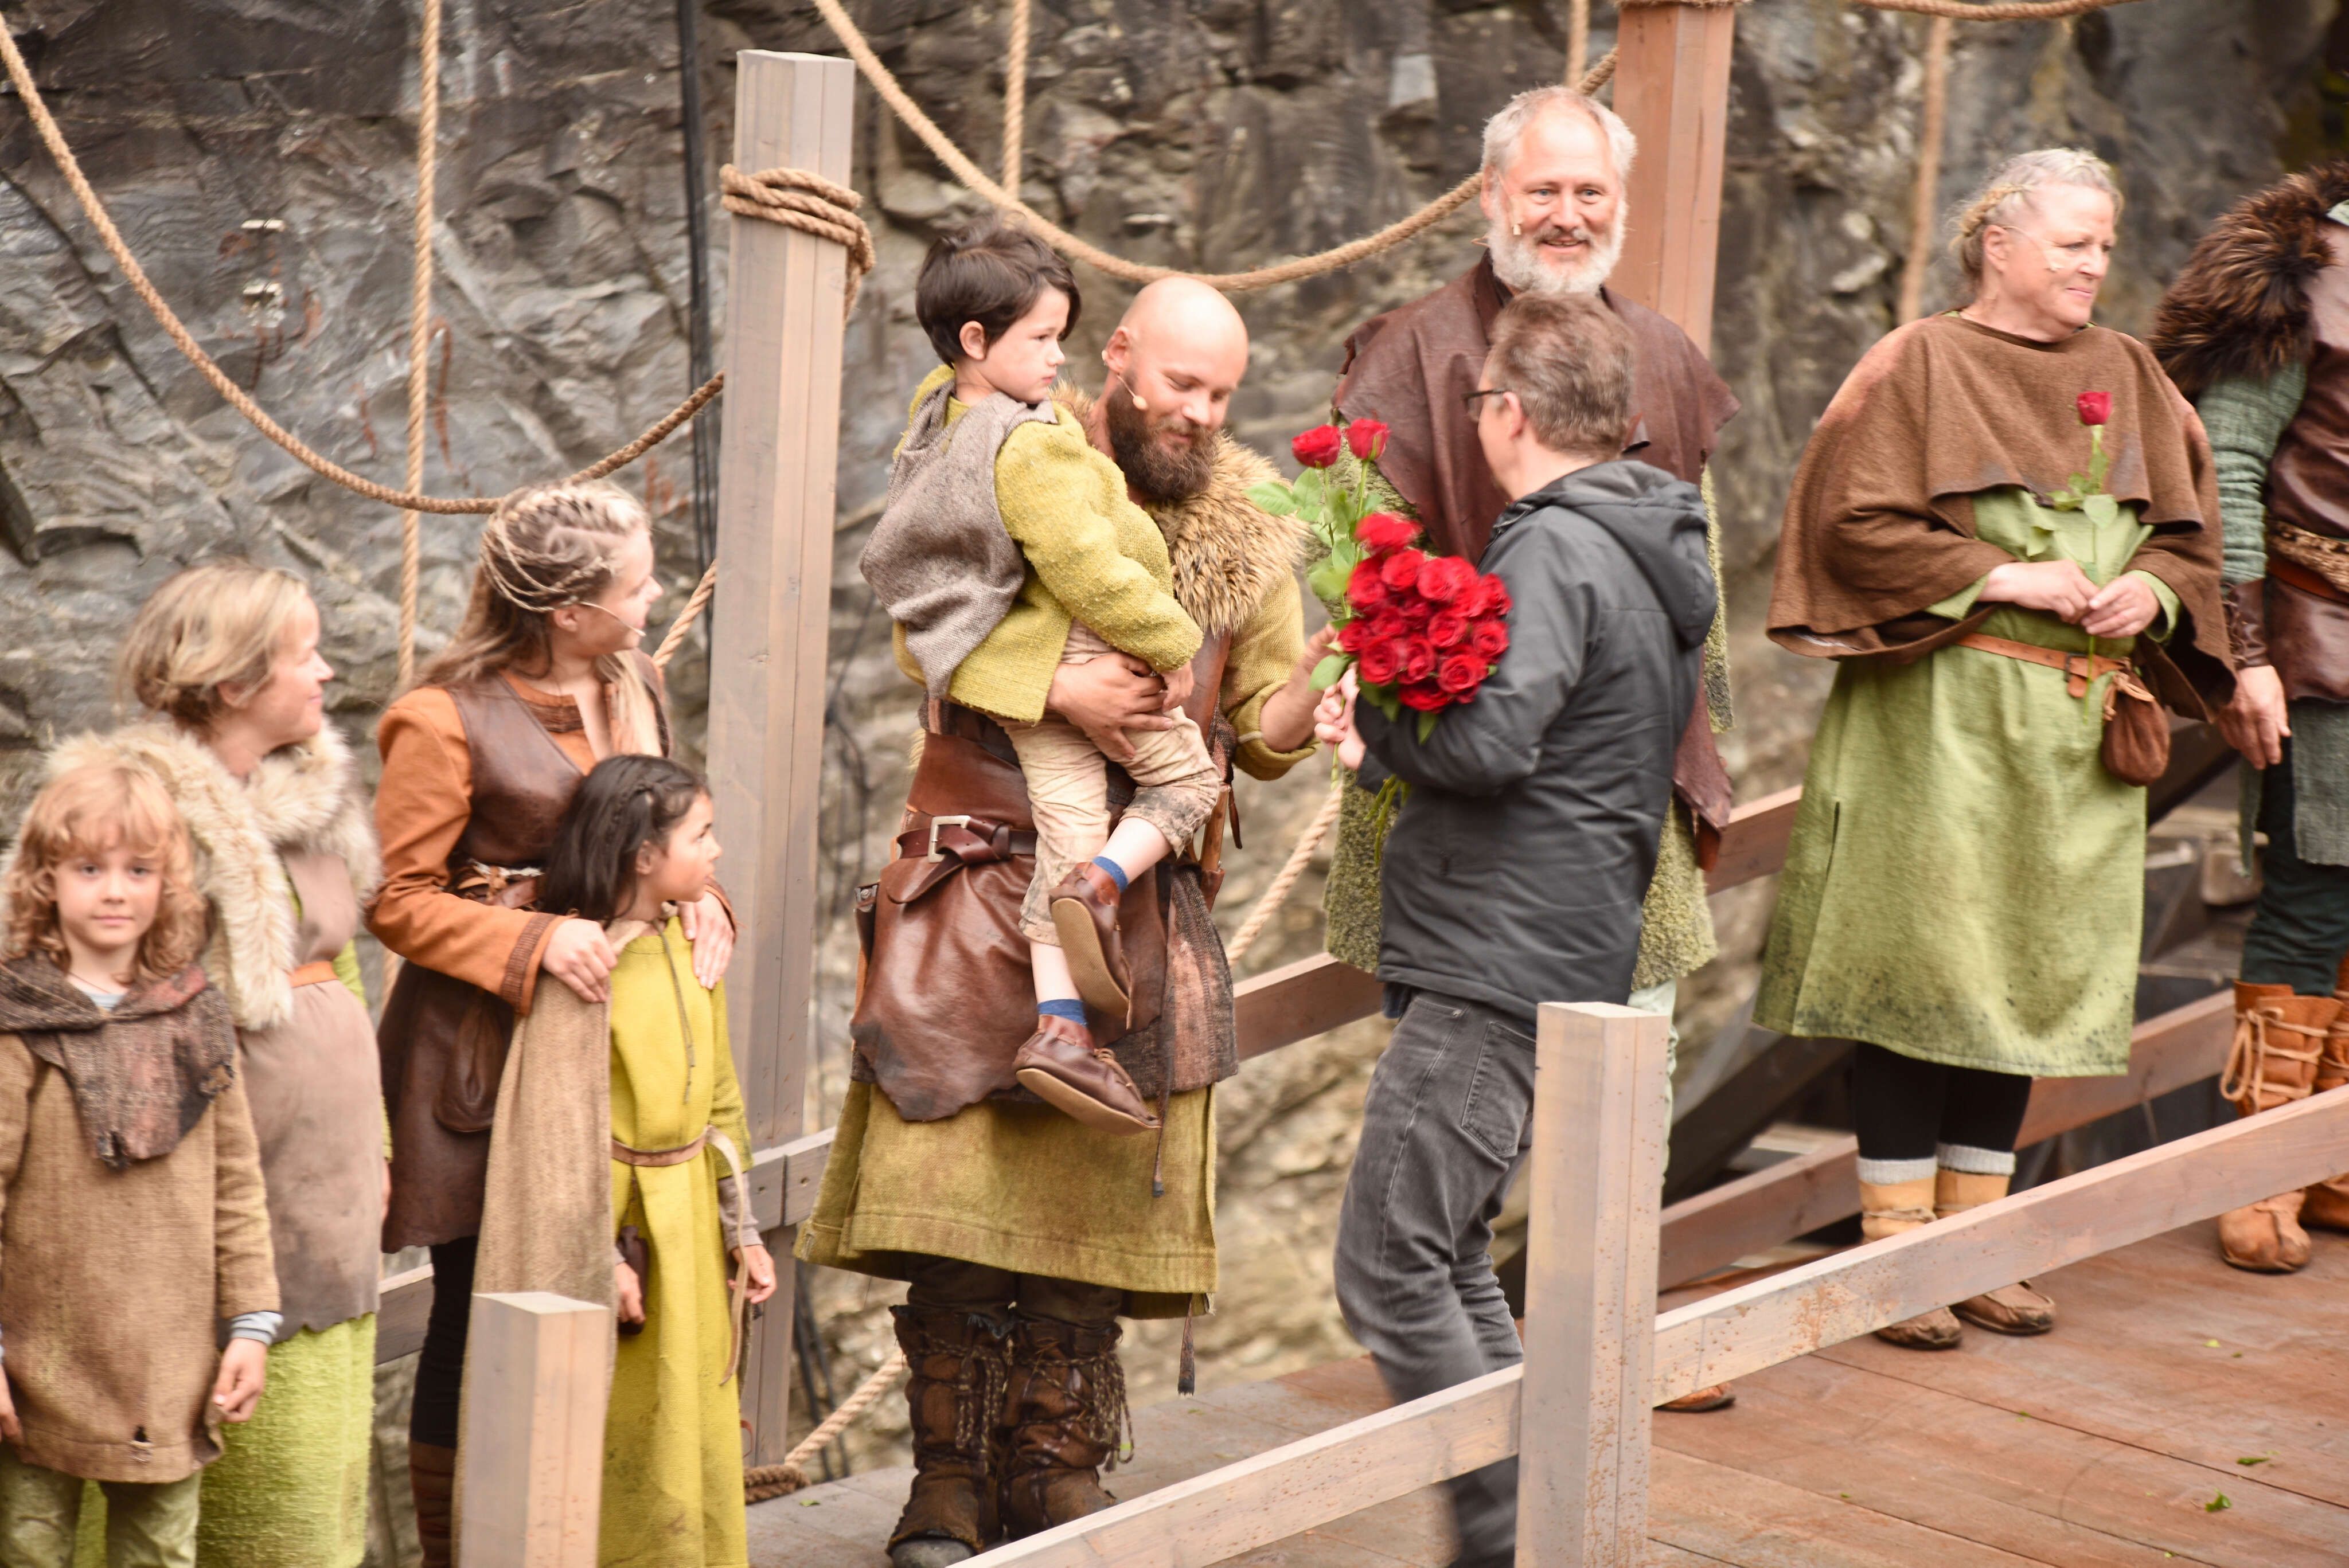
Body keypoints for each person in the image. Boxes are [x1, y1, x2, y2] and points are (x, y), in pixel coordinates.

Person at [799, 276, 1327, 1568]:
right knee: (952, 1202)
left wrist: (1324, 687)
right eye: (1180, 383)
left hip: (1133, 901)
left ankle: (1055, 1469)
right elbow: (922, 626)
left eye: (1222, 394)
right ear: (1118, 357)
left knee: (1089, 1225)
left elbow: (1259, 733)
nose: (1200, 413)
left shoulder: (1255, 531)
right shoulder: (1006, 445)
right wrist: (1053, 684)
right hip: (972, 875)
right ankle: (946, 1483)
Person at [1757, 149, 2230, 1347]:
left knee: (2024, 977)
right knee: (1923, 977)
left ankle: (1974, 1249)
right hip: (1939, 722)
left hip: (2072, 733)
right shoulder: (1916, 362)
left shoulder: (2130, 372)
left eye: (2103, 245)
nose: (2093, 264)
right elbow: (1848, 525)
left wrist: (2151, 596)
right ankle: (1894, 1257)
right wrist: (2002, 574)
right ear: (1998, 245)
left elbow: (2188, 541)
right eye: (2071, 243)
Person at [1313, 291, 1713, 1568]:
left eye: (1484, 399)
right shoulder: (1644, 542)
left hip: (1500, 953)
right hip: (1558, 938)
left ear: (1509, 414)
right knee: (1453, 1261)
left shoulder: (1556, 548)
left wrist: (1377, 719)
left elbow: (1490, 746)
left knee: (1389, 1263)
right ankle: (1537, 1530)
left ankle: (1500, 1541)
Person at [1321, 83, 1739, 1108]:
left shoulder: (1663, 356)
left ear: (1620, 202)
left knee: (1622, 1096)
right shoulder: (1408, 357)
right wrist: (1406, 722)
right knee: (1461, 1093)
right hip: (1457, 790)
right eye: (1543, 190)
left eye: (1590, 192)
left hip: (1620, 791)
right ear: (1490, 196)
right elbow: (1362, 589)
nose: (1567, 215)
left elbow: (1703, 585)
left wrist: (1694, 730)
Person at [367, 481, 733, 1567]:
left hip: (624, 1052)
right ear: (569, 612)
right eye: (638, 586)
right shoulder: (441, 717)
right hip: (483, 1057)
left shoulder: (639, 680)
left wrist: (706, 898)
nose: (657, 597)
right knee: (476, 1312)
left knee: (622, 1286)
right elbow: (396, 899)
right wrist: (533, 940)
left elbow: (660, 833)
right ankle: (457, 1554)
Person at [863, 219, 1224, 1132]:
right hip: (1076, 656)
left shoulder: (938, 419)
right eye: (1043, 338)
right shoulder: (1030, 445)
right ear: (975, 340)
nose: (1058, 359)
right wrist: (1170, 643)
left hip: (1024, 688)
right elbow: (1084, 567)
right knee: (1186, 784)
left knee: (1070, 822)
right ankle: (1100, 884)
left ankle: (1060, 1027)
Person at [70, 563, 381, 1568]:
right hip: (209, 1177)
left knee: (320, 1462)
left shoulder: (311, 795)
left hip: (327, 1180)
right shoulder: (131, 816)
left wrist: (374, 1145)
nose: (327, 673)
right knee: (216, 1458)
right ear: (237, 680)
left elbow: (343, 967)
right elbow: (90, 1015)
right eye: (305, 656)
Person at [496, 753, 776, 1567]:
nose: (717, 850)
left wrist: (743, 1231)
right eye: (702, 835)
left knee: (696, 1419)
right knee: (628, 1430)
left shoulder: (697, 945)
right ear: (644, 854)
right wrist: (602, 1259)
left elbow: (722, 1102)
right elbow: (561, 1137)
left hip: (690, 1216)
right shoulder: (587, 969)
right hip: (627, 1235)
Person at [0, 759, 278, 1568]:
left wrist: (251, 1325)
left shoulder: (195, 1013)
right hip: (37, 1359)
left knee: (159, 1554)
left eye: (139, 870)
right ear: (47, 879)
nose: (115, 891)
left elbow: (236, 1183)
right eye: (90, 869)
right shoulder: (18, 1021)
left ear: (169, 883)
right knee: (29, 1548)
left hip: (169, 1360)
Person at [2150, 158, 2349, 1272]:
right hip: (2319, 646)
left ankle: (2328, 1164)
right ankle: (2260, 1174)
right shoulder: (2305, 268)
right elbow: (2221, 463)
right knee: (2312, 901)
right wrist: (2244, 657)